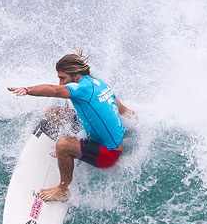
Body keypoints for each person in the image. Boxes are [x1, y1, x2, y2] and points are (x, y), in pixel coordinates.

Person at [8, 51, 133, 202]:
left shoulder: (80, 89)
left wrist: (27, 90)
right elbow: (121, 109)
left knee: (62, 144)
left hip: (108, 154)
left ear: (75, 75)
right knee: (52, 113)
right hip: (107, 136)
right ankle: (76, 149)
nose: (61, 83)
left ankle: (63, 189)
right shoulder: (98, 83)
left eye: (63, 78)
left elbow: (53, 90)